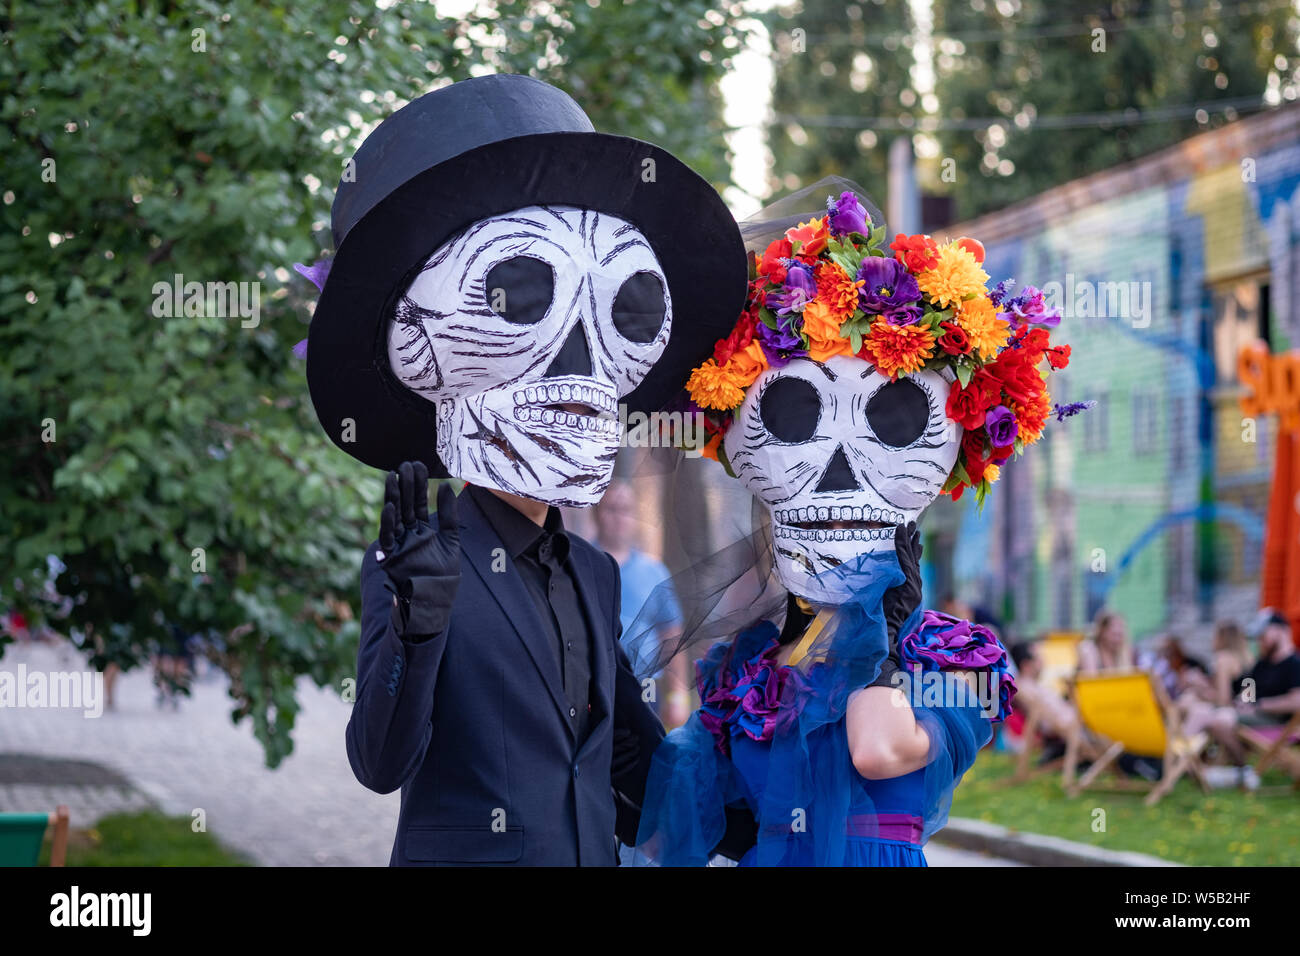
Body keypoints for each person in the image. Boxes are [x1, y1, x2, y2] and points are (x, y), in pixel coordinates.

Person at [302, 75, 753, 866]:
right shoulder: (419, 568)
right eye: (518, 297)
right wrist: (418, 621)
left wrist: (774, 798)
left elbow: (625, 765)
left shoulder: (594, 572)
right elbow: (379, 763)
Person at [633, 182, 1070, 866]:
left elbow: (877, 749)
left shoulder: (952, 658)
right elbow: (685, 809)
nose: (838, 477)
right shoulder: (751, 663)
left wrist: (886, 639)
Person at [592, 480, 691, 729]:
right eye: (611, 509)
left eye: (626, 509)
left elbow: (671, 636)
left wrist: (678, 694)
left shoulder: (654, 572)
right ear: (596, 513)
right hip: (591, 688)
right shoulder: (578, 563)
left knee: (642, 763)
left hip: (644, 689)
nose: (618, 517)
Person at [1077, 608, 1135, 674]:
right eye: (1114, 634)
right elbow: (1091, 680)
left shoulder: (1123, 651)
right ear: (1102, 632)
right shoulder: (1089, 649)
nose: (1117, 640)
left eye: (1120, 635)